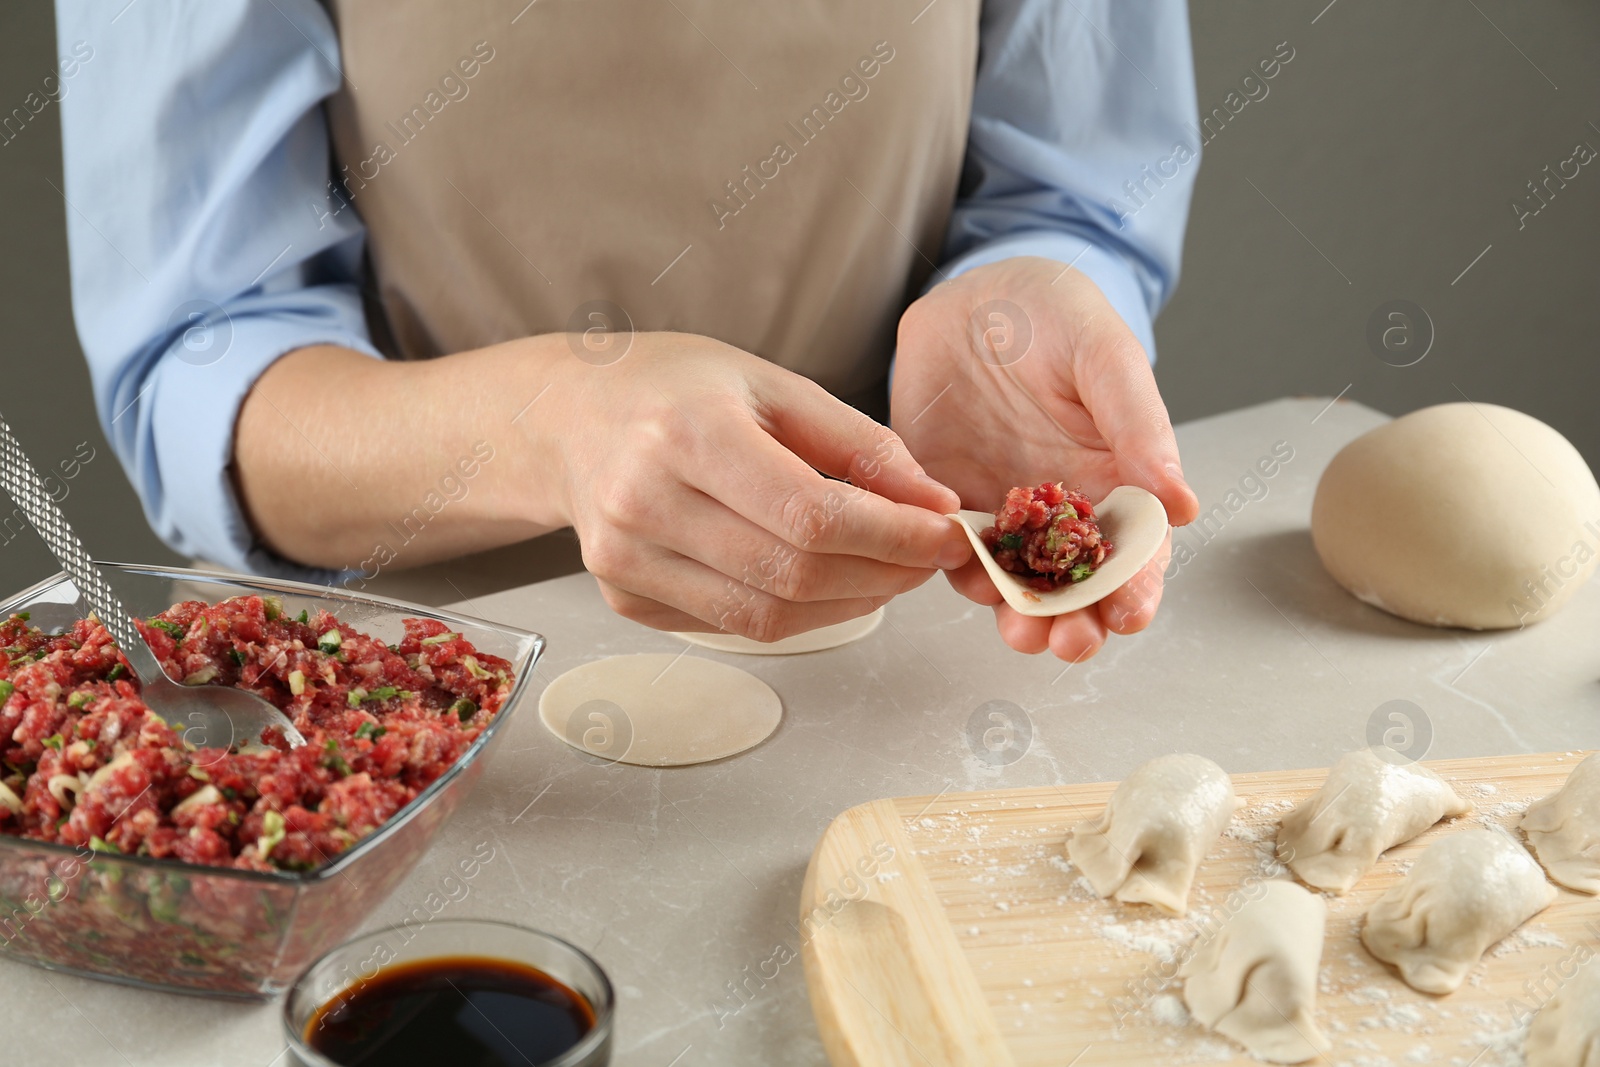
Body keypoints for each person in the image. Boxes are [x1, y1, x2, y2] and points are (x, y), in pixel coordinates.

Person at [55, 0, 1201, 663]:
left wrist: (1019, 298)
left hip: (891, 630)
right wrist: (554, 424)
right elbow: (196, 358)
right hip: (399, 671)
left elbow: (1071, 186)